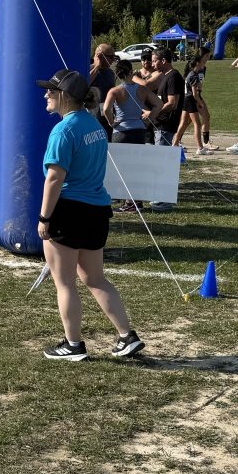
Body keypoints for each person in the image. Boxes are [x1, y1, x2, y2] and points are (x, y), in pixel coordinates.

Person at [36, 69, 144, 362]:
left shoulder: (64, 130)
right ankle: (127, 336)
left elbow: (54, 178)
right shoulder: (94, 124)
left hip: (68, 211)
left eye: (50, 91)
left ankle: (73, 345)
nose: (45, 95)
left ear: (64, 96)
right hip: (97, 211)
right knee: (96, 279)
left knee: (65, 283)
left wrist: (44, 218)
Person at [103, 61, 157, 145]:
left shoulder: (115, 91)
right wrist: (148, 121)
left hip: (121, 130)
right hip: (139, 131)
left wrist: (111, 123)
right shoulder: (143, 89)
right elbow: (159, 104)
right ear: (131, 72)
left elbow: (106, 109)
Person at [172, 53, 211, 156]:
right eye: (202, 62)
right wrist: (200, 103)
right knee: (197, 124)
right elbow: (194, 94)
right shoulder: (193, 75)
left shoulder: (190, 74)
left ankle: (175, 144)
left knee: (183, 122)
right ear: (197, 63)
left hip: (185, 99)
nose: (204, 63)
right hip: (190, 100)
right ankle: (200, 148)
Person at [148, 48, 183, 146]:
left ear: (163, 61)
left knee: (159, 159)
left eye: (155, 61)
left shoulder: (173, 76)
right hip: (160, 125)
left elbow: (172, 104)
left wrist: (152, 114)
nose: (152, 64)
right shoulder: (165, 76)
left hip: (166, 126)